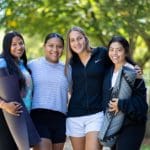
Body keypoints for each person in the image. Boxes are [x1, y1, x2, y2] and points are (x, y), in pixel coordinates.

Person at [65, 26, 112, 150]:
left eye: (79, 38)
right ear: (69, 44)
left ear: (85, 38)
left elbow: (119, 61)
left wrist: (133, 66)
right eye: (72, 40)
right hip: (74, 115)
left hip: (97, 114)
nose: (76, 43)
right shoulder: (70, 64)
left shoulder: (101, 53)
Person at [102, 36, 148, 150]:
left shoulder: (133, 73)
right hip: (113, 125)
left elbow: (142, 105)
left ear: (126, 51)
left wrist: (121, 104)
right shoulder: (108, 71)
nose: (115, 53)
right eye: (111, 49)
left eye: (119, 50)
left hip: (131, 125)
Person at [28, 33, 71, 150]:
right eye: (51, 45)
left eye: (59, 46)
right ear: (44, 46)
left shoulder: (67, 69)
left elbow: (72, 94)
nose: (55, 50)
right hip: (39, 117)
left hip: (60, 119)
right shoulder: (32, 65)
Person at [0, 31, 40, 150]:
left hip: (23, 114)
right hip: (6, 116)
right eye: (14, 44)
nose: (19, 47)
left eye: (21, 43)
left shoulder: (22, 64)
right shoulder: (2, 63)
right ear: (7, 47)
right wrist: (5, 105)